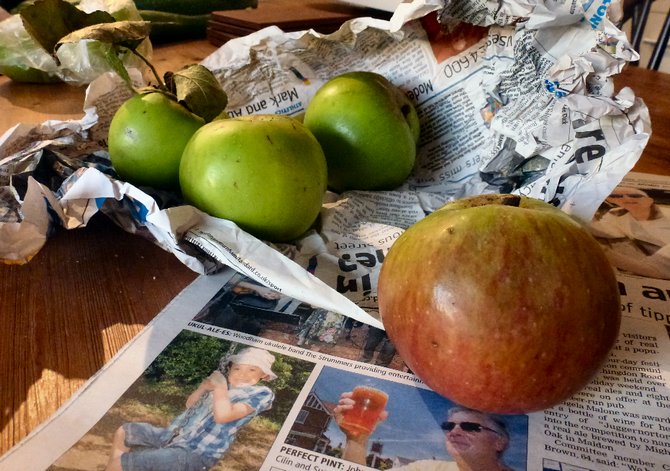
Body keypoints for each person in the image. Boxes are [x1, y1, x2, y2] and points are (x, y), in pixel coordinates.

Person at [105, 347, 276, 471]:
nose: (242, 374)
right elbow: (190, 405)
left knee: (123, 464)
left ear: (264, 375)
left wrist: (219, 388)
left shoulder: (260, 393)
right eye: (237, 368)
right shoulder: (222, 386)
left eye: (252, 369)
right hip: (172, 436)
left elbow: (223, 416)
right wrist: (203, 387)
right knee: (125, 431)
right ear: (230, 369)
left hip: (196, 452)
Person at [334, 397, 513, 471]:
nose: (454, 431)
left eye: (469, 426)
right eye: (448, 426)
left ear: (500, 442)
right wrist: (356, 439)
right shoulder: (426, 468)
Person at [590, 186, 670, 279]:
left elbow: (655, 270)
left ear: (649, 200)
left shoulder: (667, 214)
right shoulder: (616, 215)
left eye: (634, 195)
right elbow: (604, 231)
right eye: (617, 196)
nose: (626, 198)